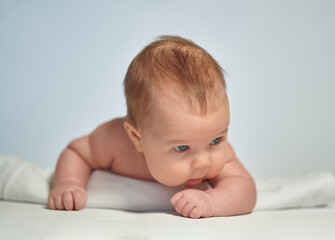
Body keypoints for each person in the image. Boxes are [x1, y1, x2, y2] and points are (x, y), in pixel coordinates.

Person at [48, 35, 257, 218]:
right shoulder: (115, 142)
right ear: (137, 138)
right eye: (182, 147)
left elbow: (244, 189)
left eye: (215, 140)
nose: (203, 162)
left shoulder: (219, 155)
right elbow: (77, 152)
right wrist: (68, 183)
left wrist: (213, 202)